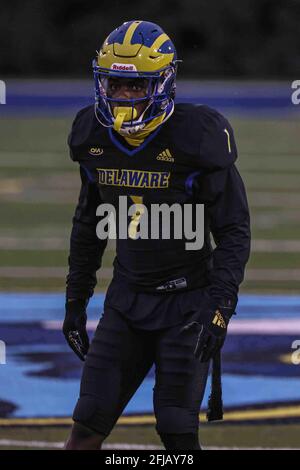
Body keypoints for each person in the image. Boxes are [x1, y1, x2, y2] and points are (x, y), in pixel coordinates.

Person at [63, 20, 251, 450]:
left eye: (137, 87)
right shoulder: (93, 138)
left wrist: (220, 307)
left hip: (188, 303)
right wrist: (76, 300)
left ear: (163, 84)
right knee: (86, 424)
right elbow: (88, 224)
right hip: (128, 298)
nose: (124, 97)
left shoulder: (197, 137)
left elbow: (234, 231)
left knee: (176, 431)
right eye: (115, 85)